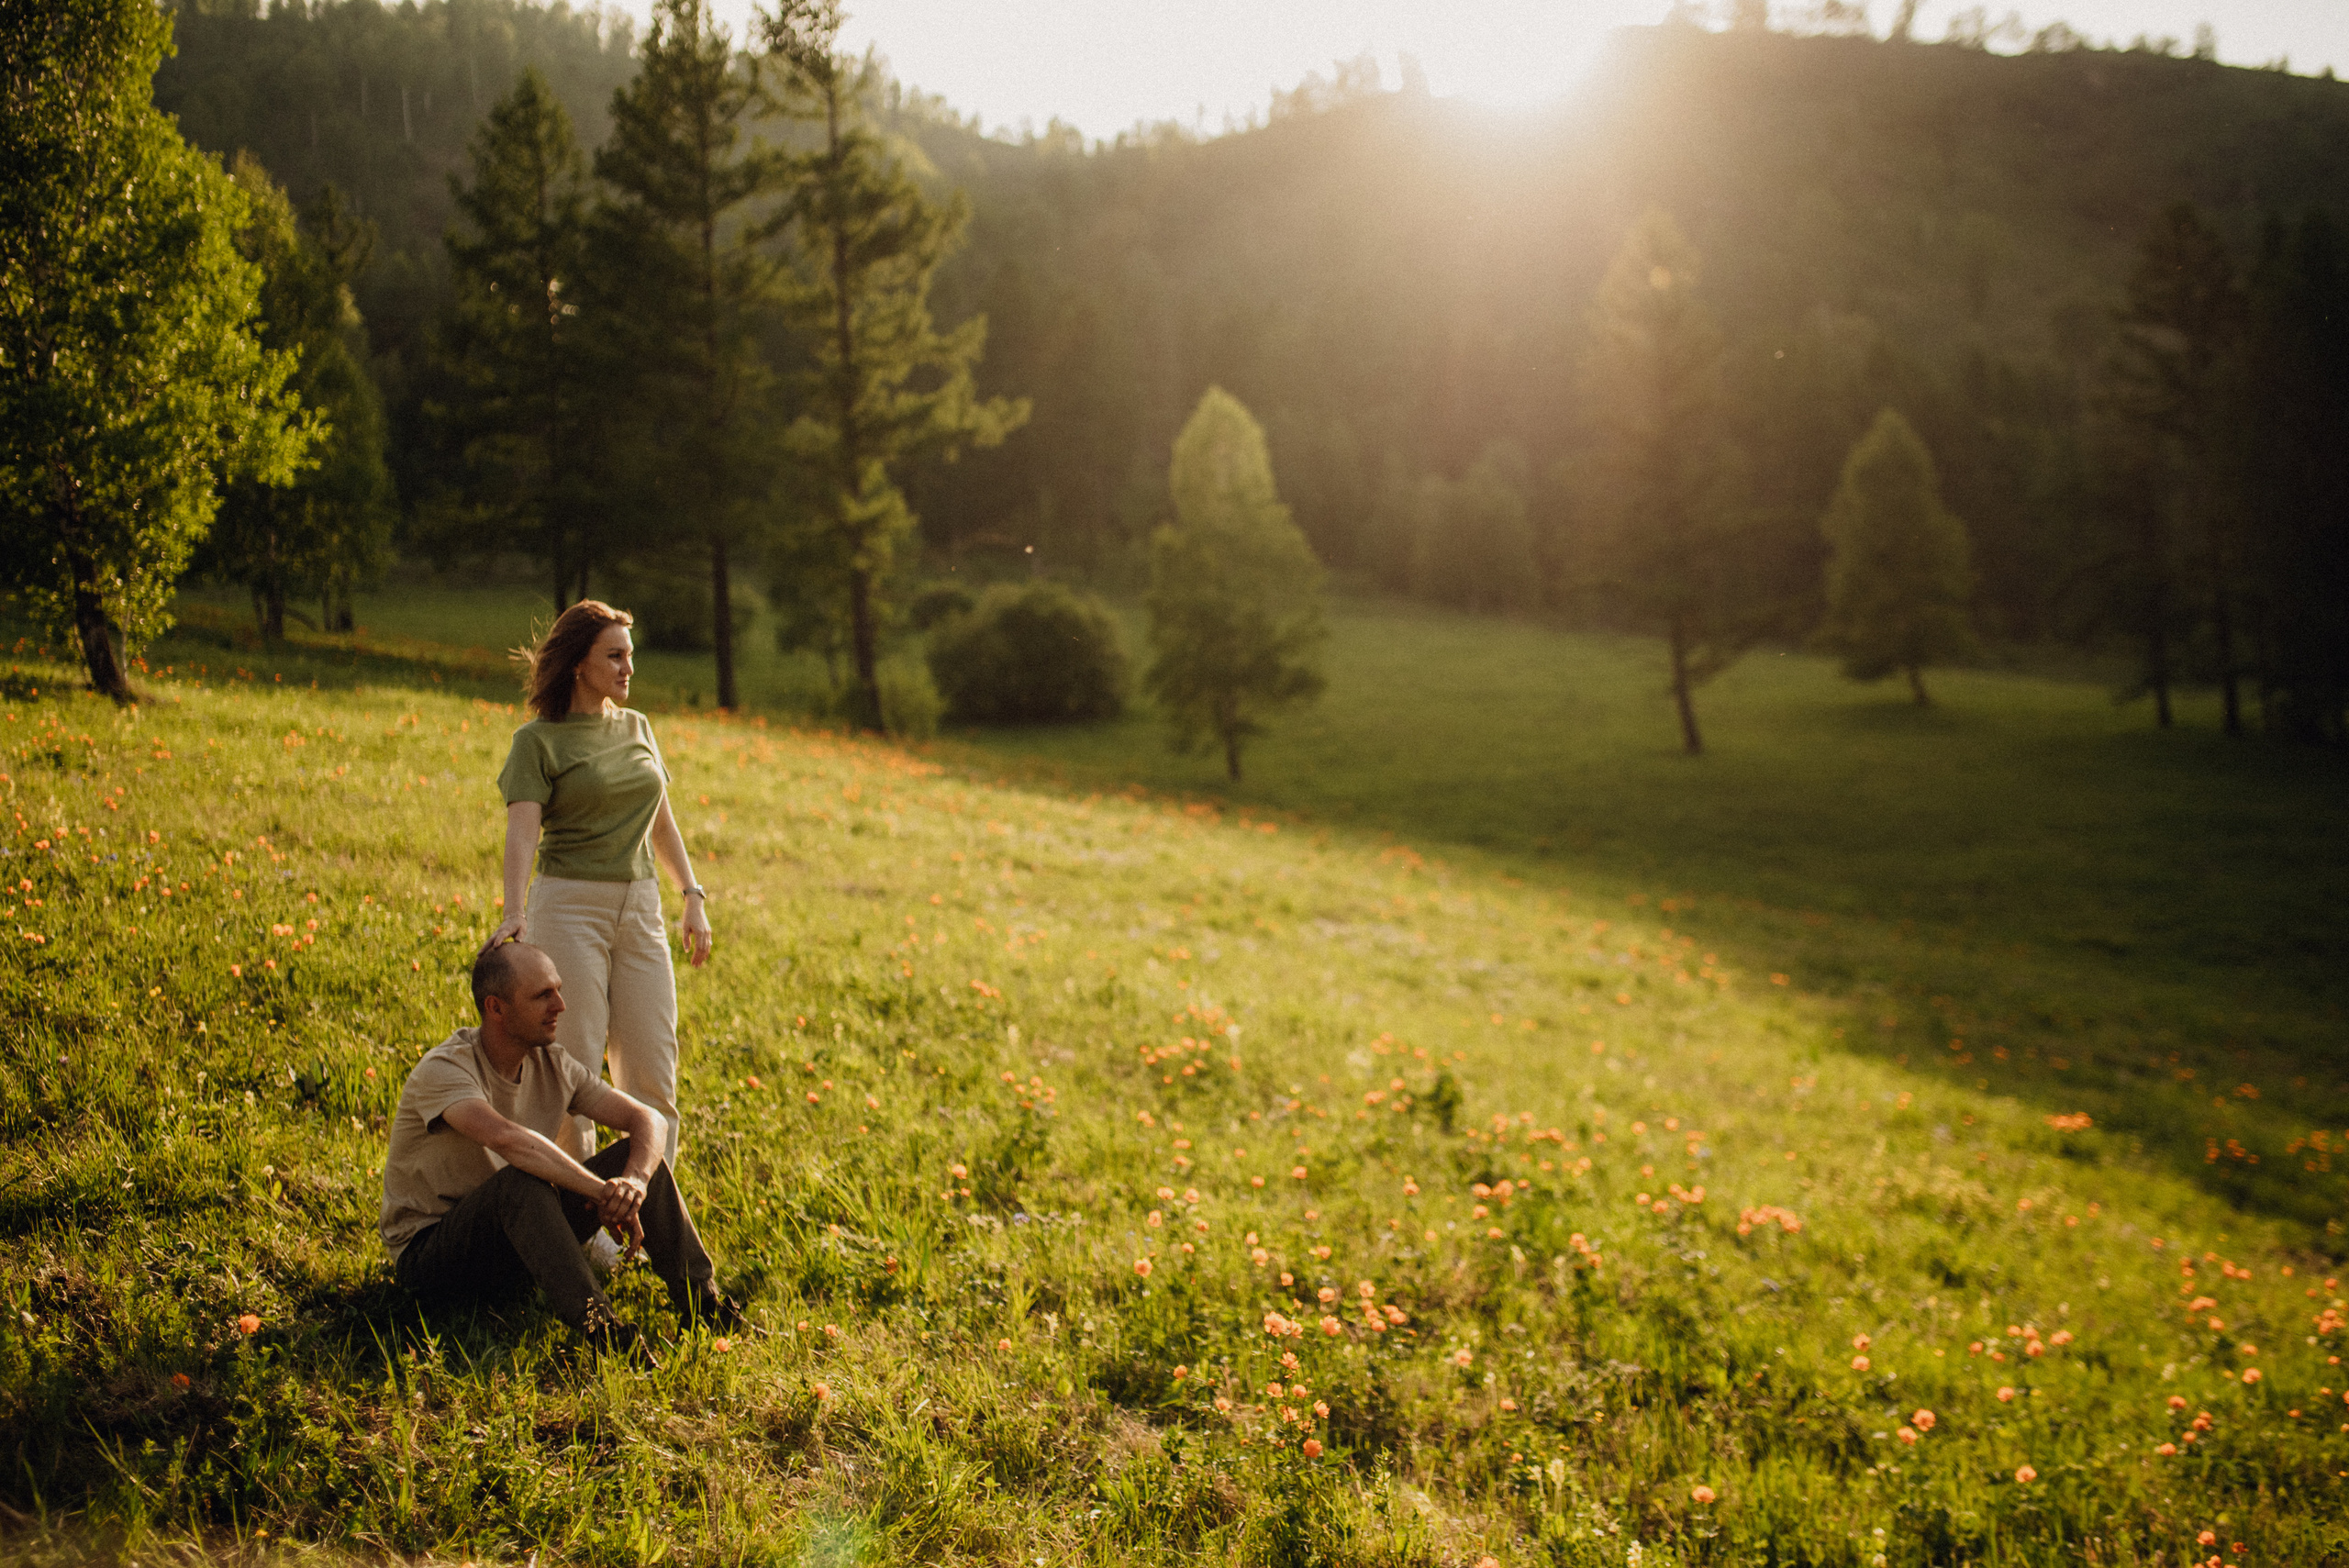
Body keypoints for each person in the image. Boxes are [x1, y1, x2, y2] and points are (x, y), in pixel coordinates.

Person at [382, 940, 740, 1352]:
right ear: (495, 1008)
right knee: (521, 1182)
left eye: (558, 990)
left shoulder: (552, 1063)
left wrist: (634, 1184)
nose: (560, 1006)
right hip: (431, 1257)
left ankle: (706, 1308)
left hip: (518, 1241)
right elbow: (509, 1141)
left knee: (638, 1157)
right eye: (542, 995)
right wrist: (602, 1192)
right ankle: (604, 1334)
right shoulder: (446, 1069)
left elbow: (649, 1119)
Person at [481, 600, 709, 1172]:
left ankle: (648, 1202)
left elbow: (661, 821)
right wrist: (513, 911)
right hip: (569, 907)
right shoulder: (537, 741)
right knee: (572, 1070)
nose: (628, 668)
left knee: (654, 1070)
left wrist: (692, 894)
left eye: (630, 655)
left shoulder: (638, 727)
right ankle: (573, 1207)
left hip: (641, 908)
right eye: (614, 656)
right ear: (578, 663)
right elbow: (522, 832)